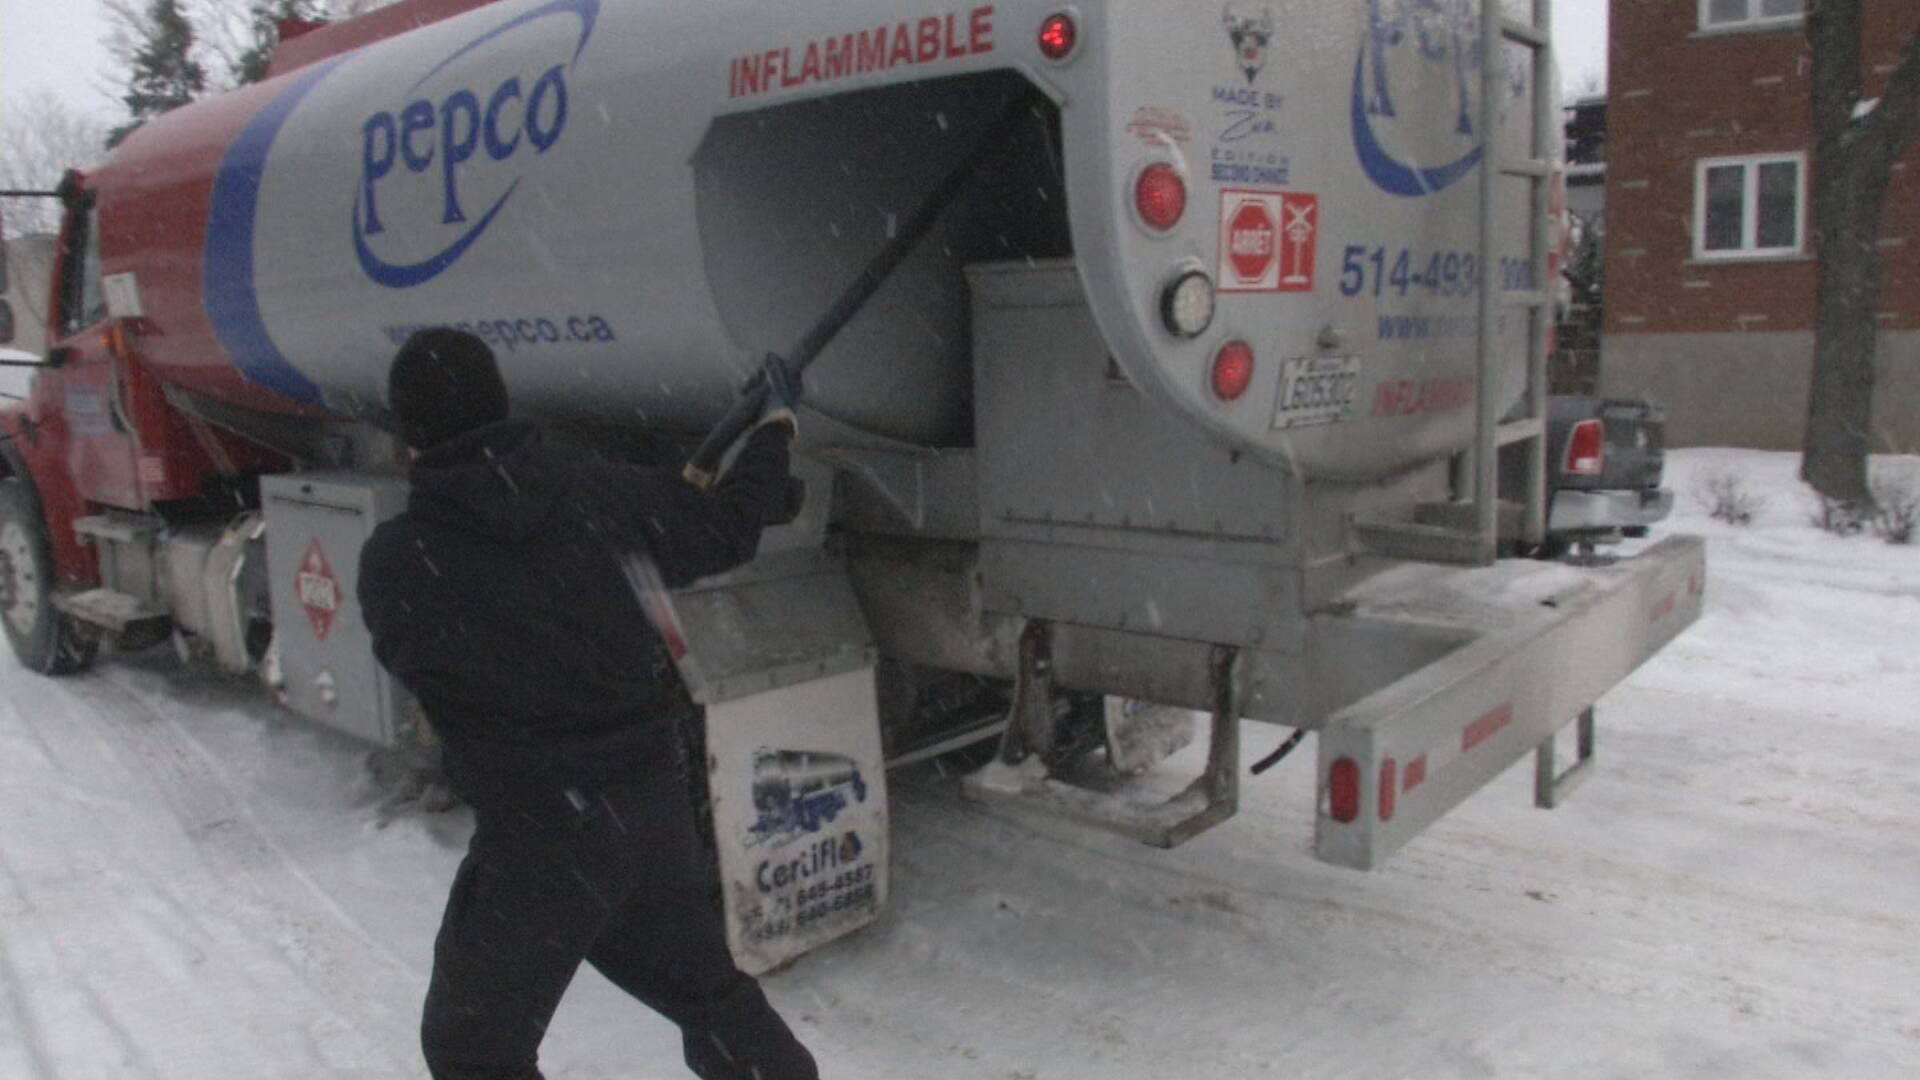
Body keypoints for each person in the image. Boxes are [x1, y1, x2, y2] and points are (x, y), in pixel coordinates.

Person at [357, 328, 819, 1080]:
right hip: (648, 811)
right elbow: (731, 526)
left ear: (409, 435)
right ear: (502, 402)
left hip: (540, 841)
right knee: (710, 1001)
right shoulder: (607, 493)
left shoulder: (398, 561)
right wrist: (773, 429)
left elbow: (423, 668)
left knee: (471, 1049)